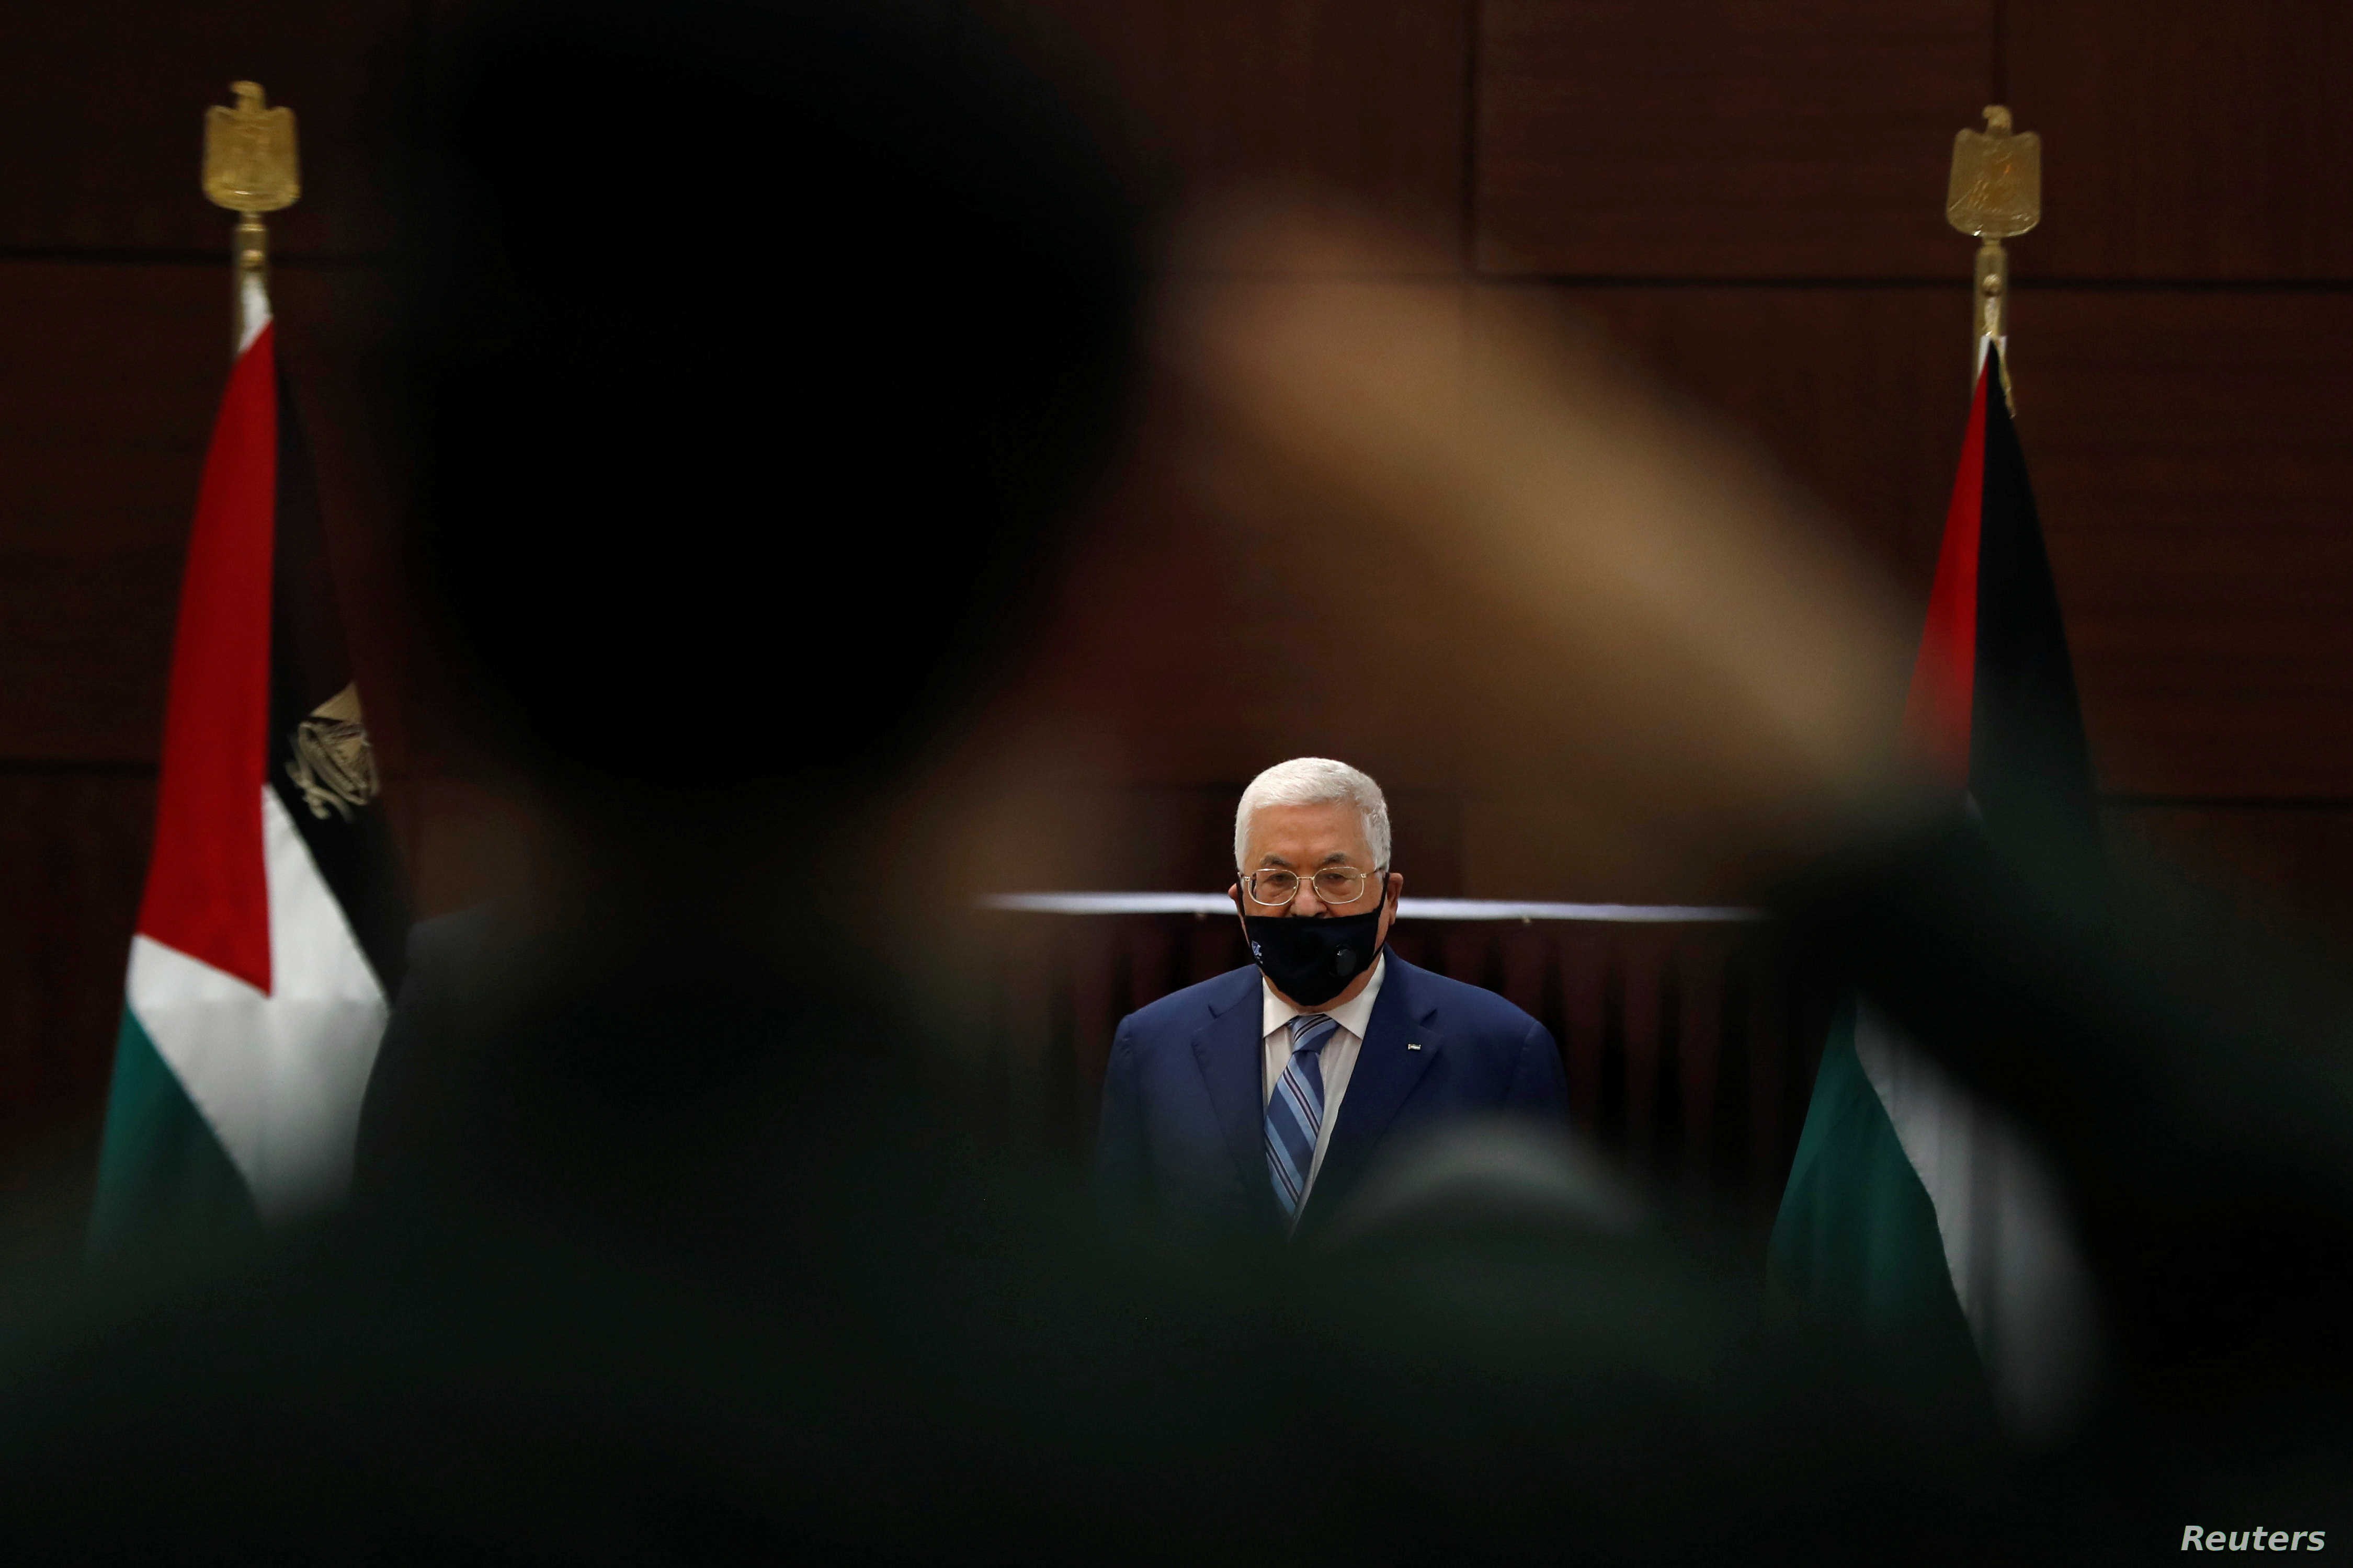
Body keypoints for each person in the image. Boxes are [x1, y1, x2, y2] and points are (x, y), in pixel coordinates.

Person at [1095, 757, 1565, 1234]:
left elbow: (1534, 1259)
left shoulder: (1502, 1052)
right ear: (1240, 904)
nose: (1305, 906)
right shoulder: (1153, 1044)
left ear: (1390, 898)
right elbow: (1122, 1246)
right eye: (1277, 879)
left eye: (1336, 877)